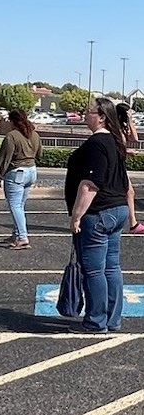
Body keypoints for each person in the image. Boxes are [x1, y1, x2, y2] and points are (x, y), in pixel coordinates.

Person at [64, 97, 129, 333]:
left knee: (93, 270)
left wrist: (76, 216)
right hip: (117, 209)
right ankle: (112, 319)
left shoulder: (96, 144)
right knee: (111, 267)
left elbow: (90, 184)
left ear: (101, 116)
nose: (84, 114)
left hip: (99, 212)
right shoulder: (114, 142)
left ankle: (95, 321)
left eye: (88, 111)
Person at [0, 110, 42, 250]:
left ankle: (22, 237)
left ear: (12, 121)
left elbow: (5, 158)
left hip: (16, 172)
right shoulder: (35, 134)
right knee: (20, 205)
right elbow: (40, 154)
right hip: (31, 170)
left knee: (15, 206)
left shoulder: (11, 136)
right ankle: (16, 233)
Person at [115, 103, 144, 233]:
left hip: (120, 163)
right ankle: (132, 223)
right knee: (128, 192)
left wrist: (131, 121)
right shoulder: (113, 128)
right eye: (129, 113)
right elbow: (113, 148)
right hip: (114, 164)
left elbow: (135, 138)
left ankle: (133, 223)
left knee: (129, 192)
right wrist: (127, 152)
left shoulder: (122, 126)